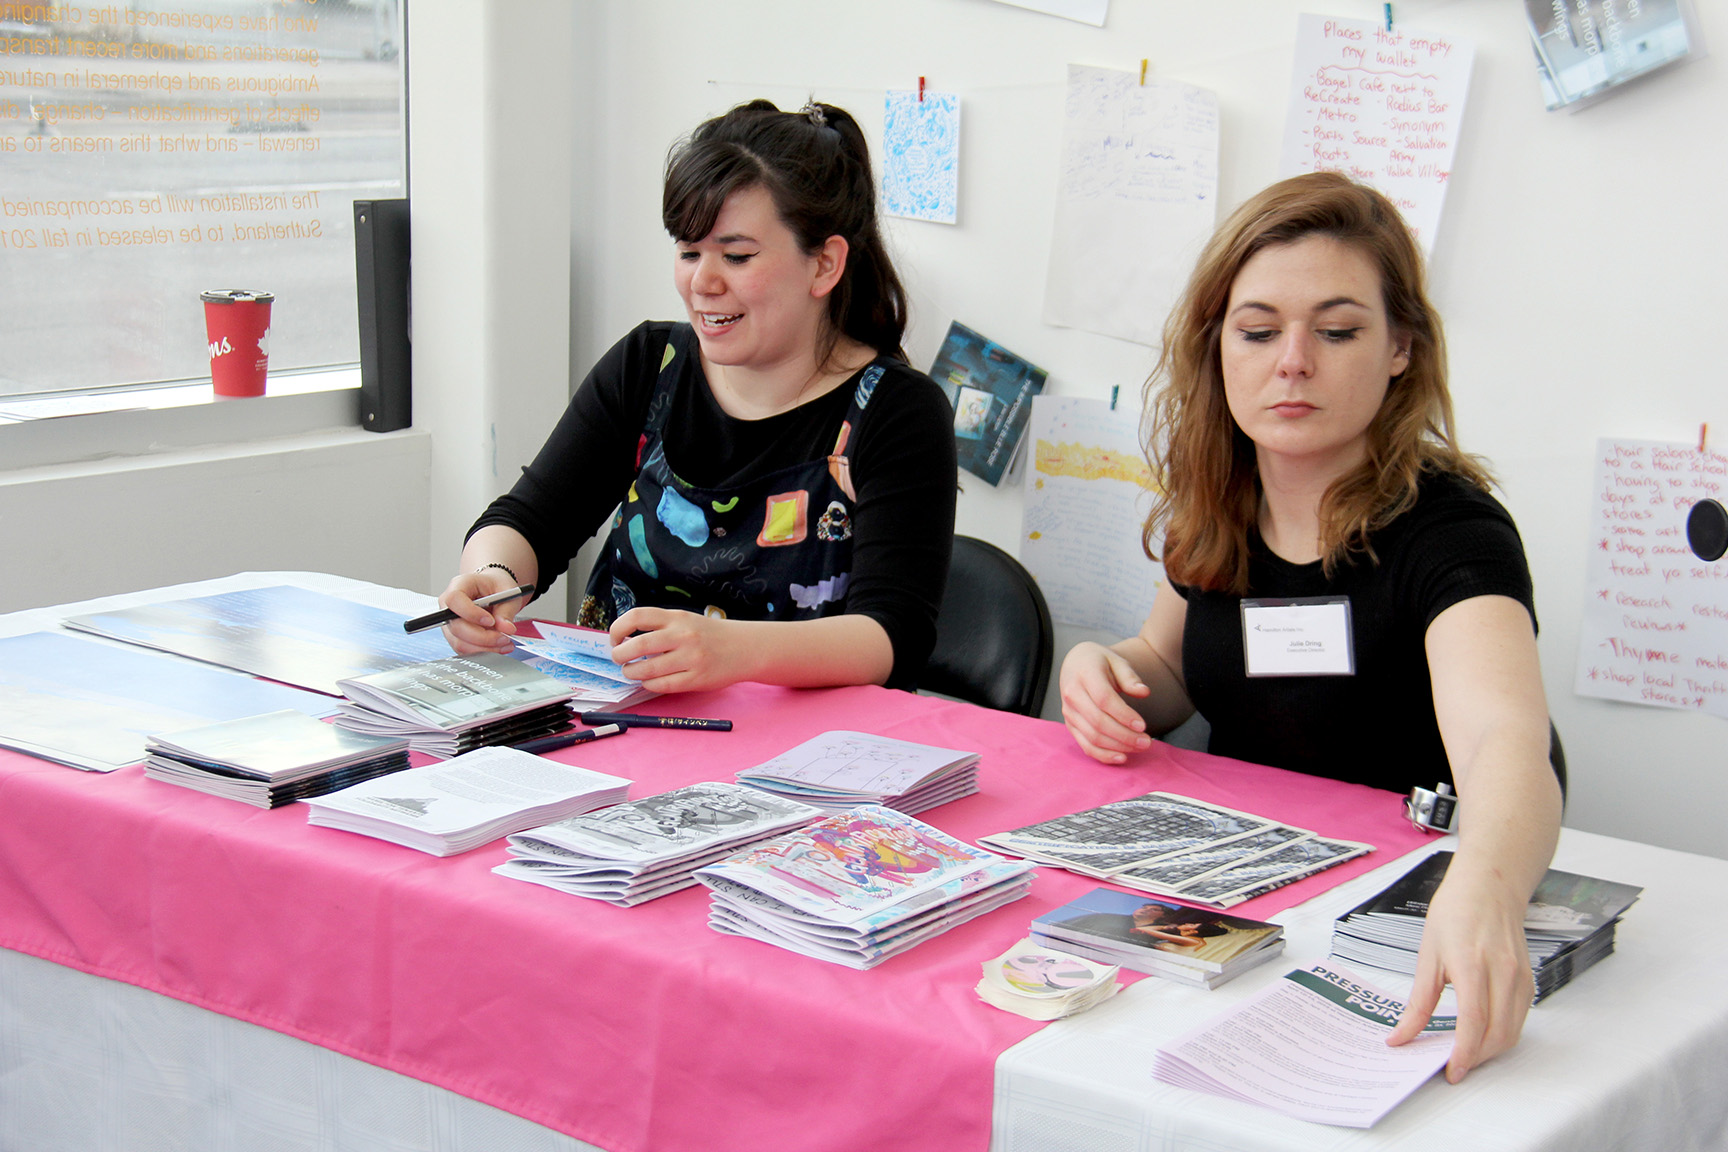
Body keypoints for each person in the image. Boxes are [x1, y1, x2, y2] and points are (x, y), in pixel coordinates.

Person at [1058, 172, 1562, 1083]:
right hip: (1255, 903)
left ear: (1401, 345)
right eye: (1257, 332)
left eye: (1336, 331)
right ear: (1219, 349)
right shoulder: (1219, 503)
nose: (1292, 361)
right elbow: (1169, 668)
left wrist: (1483, 883)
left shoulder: (1451, 528)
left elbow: (1504, 736)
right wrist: (1105, 668)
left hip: (1400, 922)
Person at [439, 100, 957, 695]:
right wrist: (491, 578)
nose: (702, 282)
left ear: (825, 265)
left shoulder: (896, 412)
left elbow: (892, 636)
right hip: (619, 725)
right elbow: (530, 520)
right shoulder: (648, 366)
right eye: (689, 251)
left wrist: (730, 649)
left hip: (799, 762)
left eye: (737, 256)